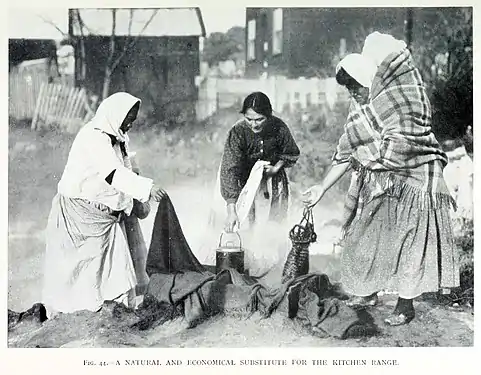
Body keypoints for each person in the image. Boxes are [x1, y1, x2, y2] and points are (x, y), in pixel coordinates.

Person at [302, 33, 459, 326]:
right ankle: (366, 290)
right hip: (384, 183)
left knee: (410, 244)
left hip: (417, 179)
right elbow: (346, 153)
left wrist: (374, 159)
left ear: (369, 81)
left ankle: (405, 305)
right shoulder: (361, 112)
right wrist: (321, 188)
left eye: (357, 88)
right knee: (365, 235)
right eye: (350, 91)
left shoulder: (401, 101)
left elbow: (403, 144)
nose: (355, 95)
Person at [42, 92, 166, 317]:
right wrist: (147, 188)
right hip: (79, 216)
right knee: (81, 273)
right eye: (128, 118)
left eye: (133, 119)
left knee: (114, 272)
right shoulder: (93, 137)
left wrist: (138, 198)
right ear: (115, 115)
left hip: (105, 218)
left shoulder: (117, 137)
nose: (131, 123)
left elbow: (126, 167)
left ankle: (112, 318)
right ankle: (75, 319)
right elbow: (113, 173)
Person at [220, 91, 300, 233]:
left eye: (259, 119)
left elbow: (290, 152)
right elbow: (229, 169)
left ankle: (272, 252)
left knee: (274, 222)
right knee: (246, 223)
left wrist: (275, 168)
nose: (254, 124)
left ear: (268, 116)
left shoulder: (278, 127)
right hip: (245, 182)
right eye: (249, 119)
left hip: (272, 181)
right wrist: (231, 209)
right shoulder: (238, 132)